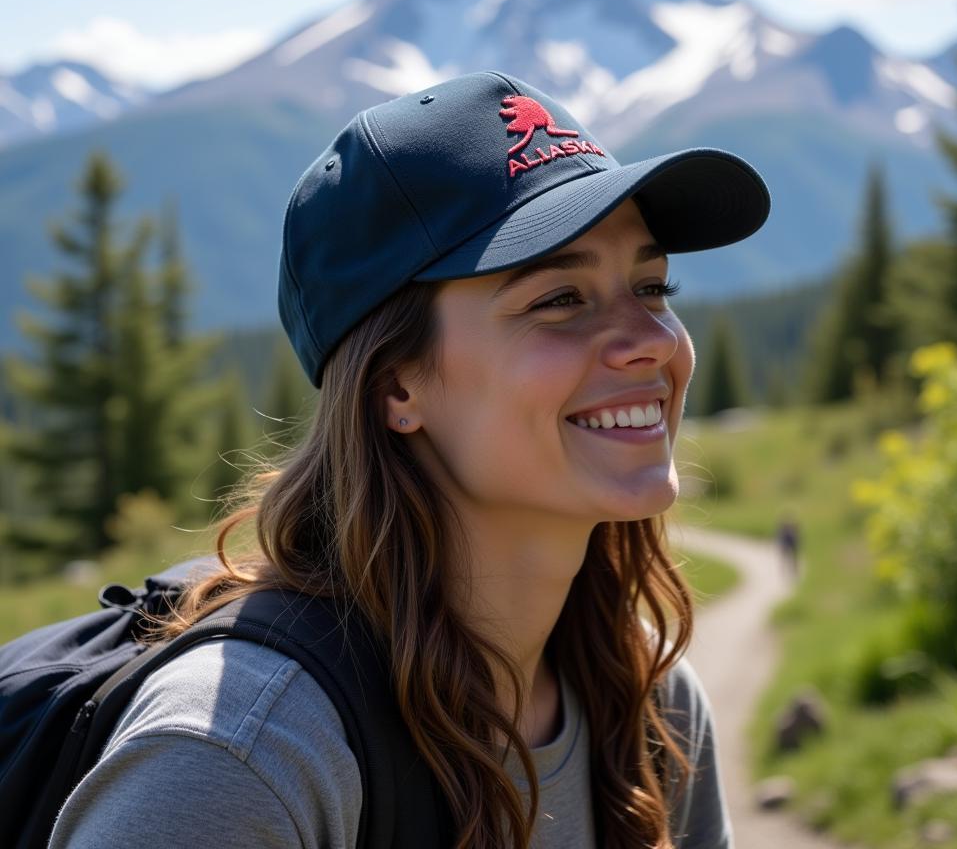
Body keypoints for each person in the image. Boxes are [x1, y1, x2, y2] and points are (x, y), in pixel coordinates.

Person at [48, 71, 770, 849]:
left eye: (653, 286)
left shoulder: (649, 706)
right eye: (560, 299)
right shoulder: (239, 760)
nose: (656, 341)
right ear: (396, 383)